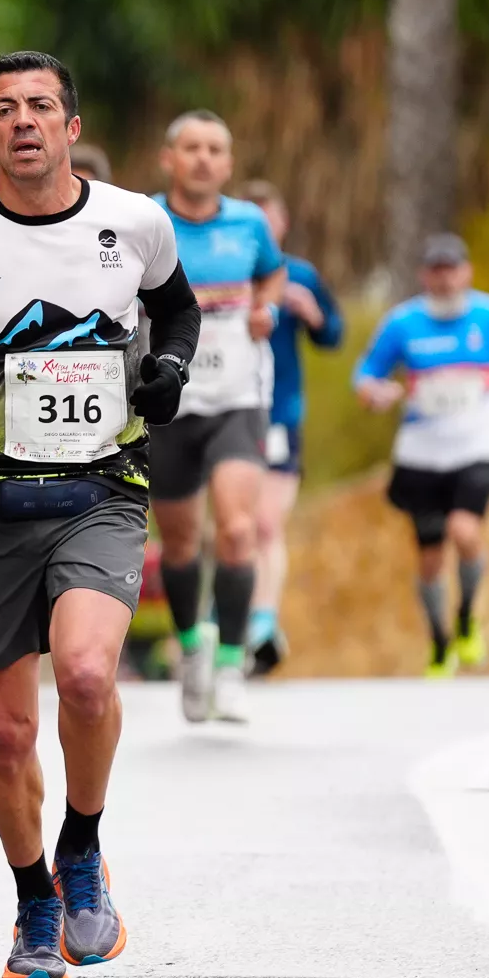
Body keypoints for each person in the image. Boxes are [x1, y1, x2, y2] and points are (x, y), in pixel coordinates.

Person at [0, 51, 200, 978]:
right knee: (8, 733)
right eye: (5, 110)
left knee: (91, 676)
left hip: (104, 490)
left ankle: (84, 846)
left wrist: (171, 372)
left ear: (70, 125)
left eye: (42, 107)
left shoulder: (134, 223)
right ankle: (32, 898)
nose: (24, 122)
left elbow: (176, 319)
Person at [147, 111, 283, 724]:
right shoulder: (144, 222)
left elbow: (272, 274)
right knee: (178, 541)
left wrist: (268, 309)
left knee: (236, 531)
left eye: (215, 150)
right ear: (169, 158)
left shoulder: (249, 224)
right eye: (192, 148)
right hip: (169, 400)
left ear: (228, 164)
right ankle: (193, 649)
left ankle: (232, 663)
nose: (203, 159)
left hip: (237, 397)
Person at [353, 234, 489, 677]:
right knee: (431, 558)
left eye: (452, 269)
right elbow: (366, 371)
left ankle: (467, 616)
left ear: (466, 272)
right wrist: (373, 390)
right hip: (421, 453)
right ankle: (439, 639)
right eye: (436, 270)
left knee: (465, 529)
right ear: (424, 276)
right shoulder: (403, 323)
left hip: (476, 445)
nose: (445, 279)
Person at [238, 179, 341, 675]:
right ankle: (228, 620)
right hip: (230, 410)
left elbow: (334, 336)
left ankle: (263, 623)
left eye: (268, 219)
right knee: (233, 527)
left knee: (265, 523)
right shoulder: (223, 273)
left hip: (281, 414)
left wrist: (313, 315)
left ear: (281, 224)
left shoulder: (299, 275)